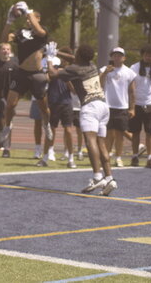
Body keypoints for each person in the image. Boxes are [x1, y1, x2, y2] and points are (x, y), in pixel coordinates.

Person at [48, 44, 117, 196]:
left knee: (90, 141)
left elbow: (52, 74)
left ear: (79, 55)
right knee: (101, 144)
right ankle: (109, 178)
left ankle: (97, 177)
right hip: (103, 106)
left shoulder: (74, 69)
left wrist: (49, 58)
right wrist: (58, 52)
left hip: (90, 107)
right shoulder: (92, 65)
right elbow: (73, 58)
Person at [0, 1, 51, 157]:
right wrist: (9, 21)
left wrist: (28, 11)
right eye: (27, 18)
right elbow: (4, 39)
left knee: (43, 107)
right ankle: (7, 127)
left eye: (31, 18)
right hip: (21, 72)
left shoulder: (42, 31)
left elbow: (39, 31)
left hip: (37, 74)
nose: (28, 20)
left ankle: (47, 124)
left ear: (37, 19)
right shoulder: (21, 32)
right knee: (10, 105)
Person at [100, 47, 137, 168]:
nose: (117, 57)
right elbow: (99, 84)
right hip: (107, 106)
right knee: (108, 134)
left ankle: (118, 157)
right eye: (115, 55)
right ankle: (106, 156)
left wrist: (132, 108)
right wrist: (105, 73)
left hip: (122, 106)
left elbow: (132, 92)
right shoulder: (105, 69)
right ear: (111, 57)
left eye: (120, 55)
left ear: (124, 58)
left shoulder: (129, 72)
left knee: (120, 135)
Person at [128, 45, 151, 168]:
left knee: (150, 131)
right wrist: (131, 106)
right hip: (137, 103)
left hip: (150, 104)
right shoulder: (134, 67)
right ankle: (135, 156)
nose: (148, 57)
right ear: (142, 55)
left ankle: (150, 157)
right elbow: (131, 87)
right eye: (146, 54)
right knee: (135, 132)